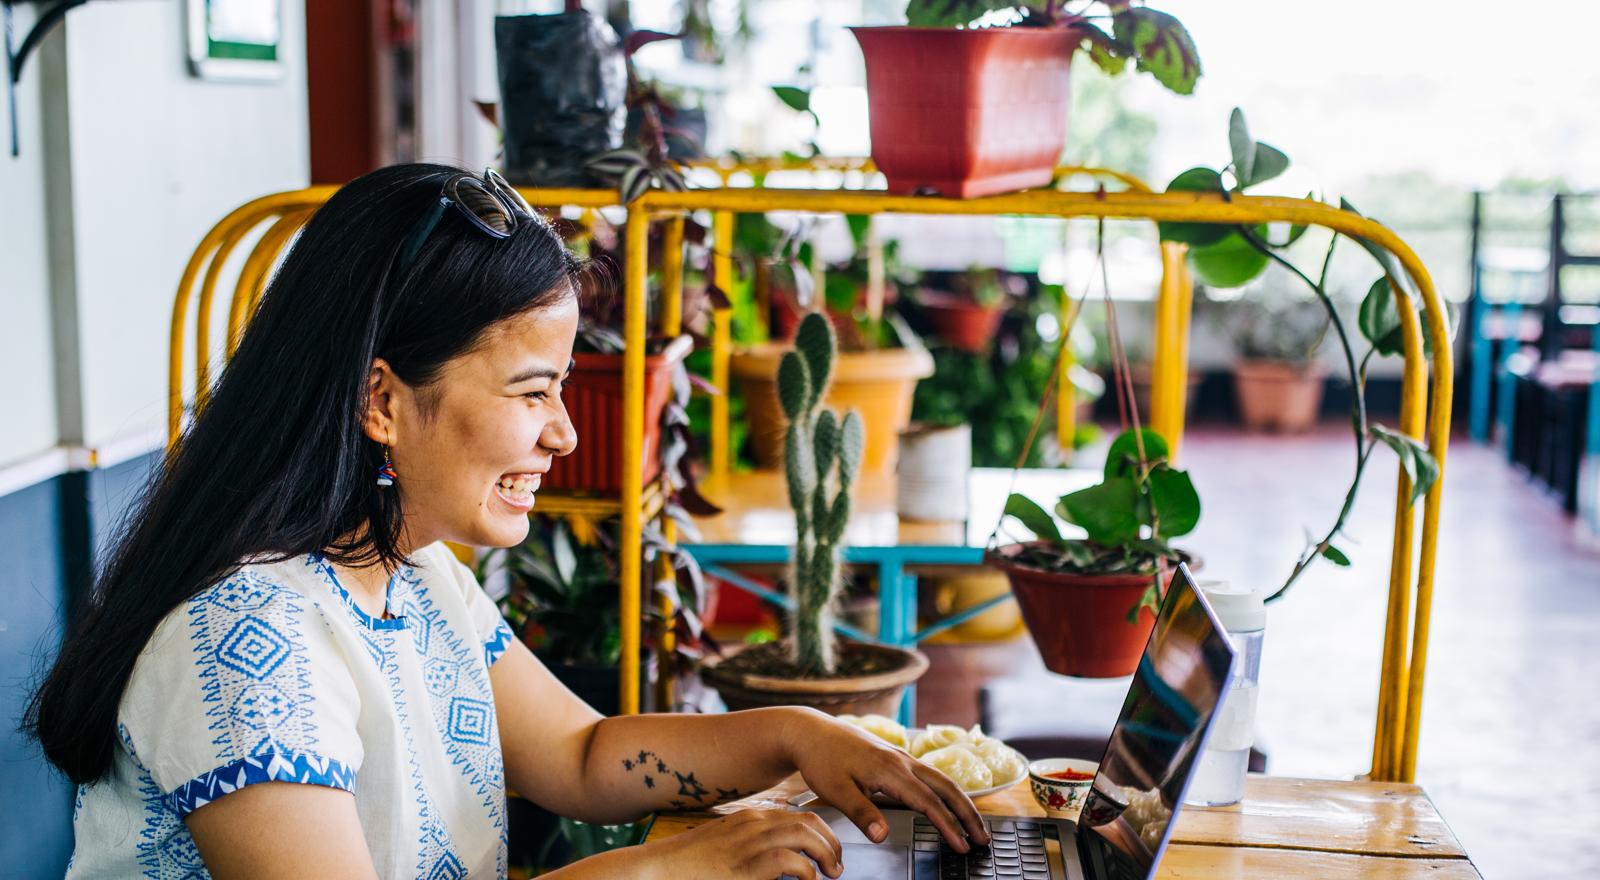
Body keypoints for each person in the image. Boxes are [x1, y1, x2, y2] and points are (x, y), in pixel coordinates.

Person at [24, 164, 988, 879]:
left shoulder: (410, 571)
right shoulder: (246, 638)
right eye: (533, 392)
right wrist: (673, 866)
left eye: (561, 387)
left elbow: (578, 756)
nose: (566, 433)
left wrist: (798, 734)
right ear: (382, 401)